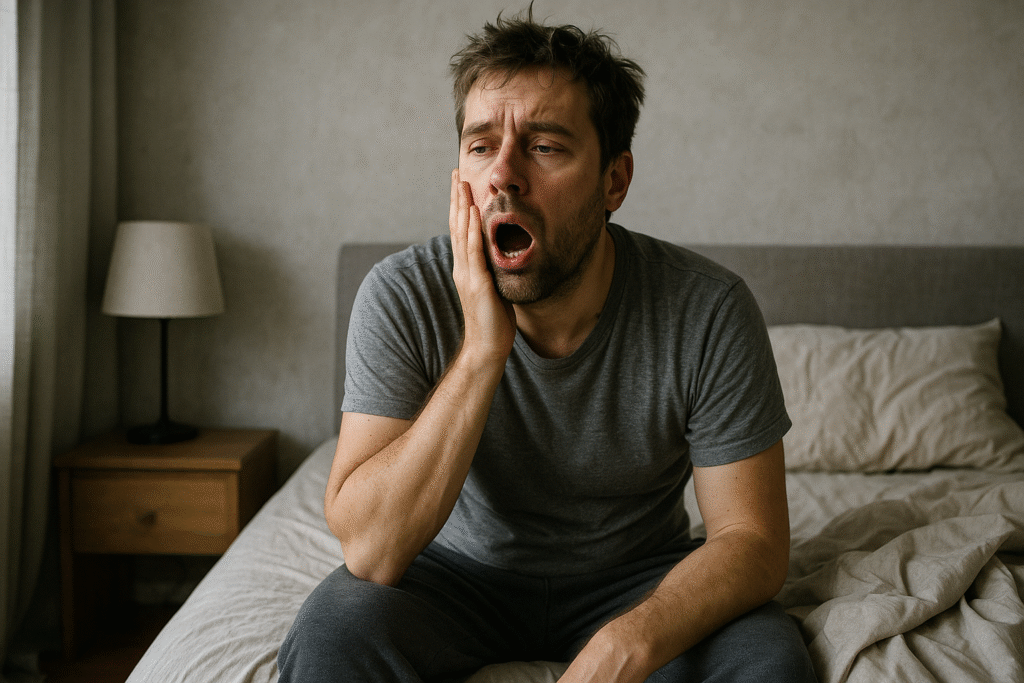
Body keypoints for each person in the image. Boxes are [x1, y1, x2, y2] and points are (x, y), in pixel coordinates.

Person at [279, 8, 816, 683]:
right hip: (452, 576)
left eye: (544, 146)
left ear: (614, 180)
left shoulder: (708, 309)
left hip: (638, 579)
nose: (503, 175)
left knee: (768, 658)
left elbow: (753, 540)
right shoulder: (401, 294)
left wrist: (630, 640)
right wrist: (483, 350)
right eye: (481, 146)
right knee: (331, 633)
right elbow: (372, 552)